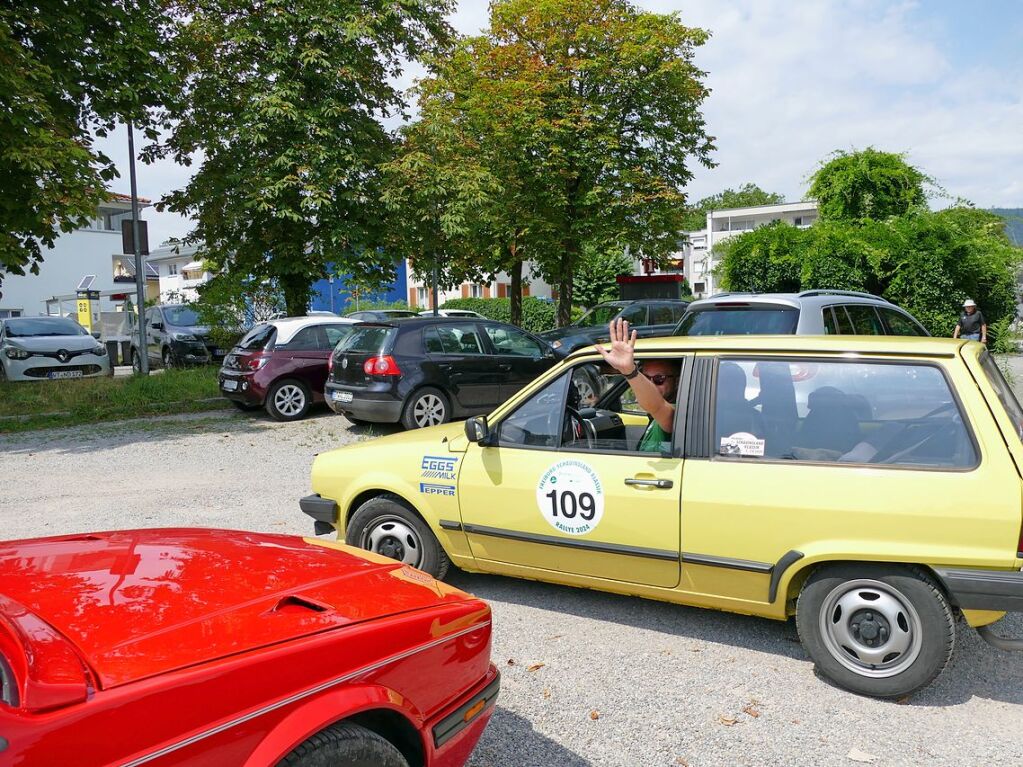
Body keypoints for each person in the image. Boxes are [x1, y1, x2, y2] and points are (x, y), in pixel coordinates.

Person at [595, 318, 678, 452]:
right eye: (645, 378)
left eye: (659, 379)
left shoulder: (675, 415)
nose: (650, 384)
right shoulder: (653, 418)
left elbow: (657, 406)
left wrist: (630, 372)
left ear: (677, 381)